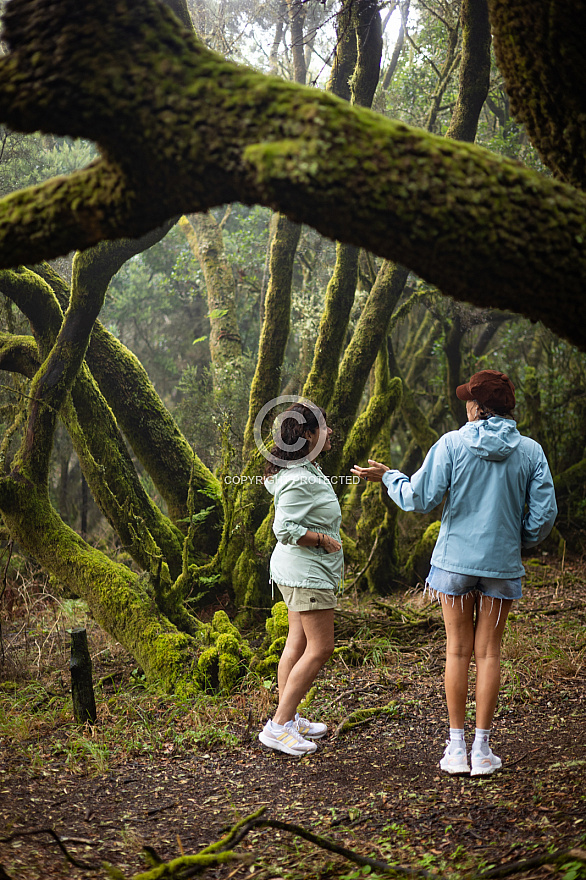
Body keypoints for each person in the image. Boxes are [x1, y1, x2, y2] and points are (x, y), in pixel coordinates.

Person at [351, 370, 557, 776]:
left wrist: (389, 476)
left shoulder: (451, 443)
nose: (464, 405)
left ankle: (456, 748)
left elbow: (419, 498)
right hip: (501, 567)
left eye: (468, 400)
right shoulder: (531, 452)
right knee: (489, 654)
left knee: (458, 652)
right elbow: (544, 516)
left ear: (479, 408)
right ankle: (482, 751)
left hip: (454, 565)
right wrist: (518, 539)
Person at [259, 401, 343, 756]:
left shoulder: (305, 469)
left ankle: (288, 717)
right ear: (307, 434)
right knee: (321, 648)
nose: (330, 433)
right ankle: (278, 726)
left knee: (296, 644)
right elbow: (284, 528)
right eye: (323, 427)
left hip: (300, 571)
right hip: (307, 573)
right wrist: (323, 540)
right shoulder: (298, 478)